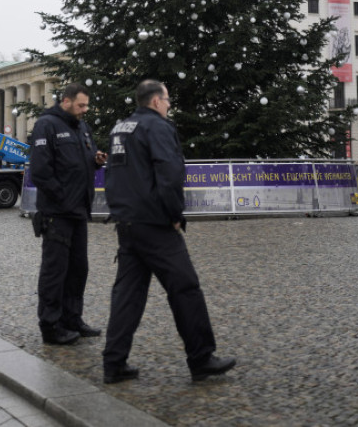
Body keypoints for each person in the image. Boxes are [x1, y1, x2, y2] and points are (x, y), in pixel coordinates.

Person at [101, 79, 236, 384]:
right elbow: (170, 173)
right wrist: (174, 214)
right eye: (168, 99)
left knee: (127, 296)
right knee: (185, 289)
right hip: (155, 224)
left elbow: (113, 173)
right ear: (156, 102)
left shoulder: (120, 128)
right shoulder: (158, 127)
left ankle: (114, 362)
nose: (170, 104)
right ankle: (201, 358)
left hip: (127, 223)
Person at [29, 83, 106, 346]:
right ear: (66, 102)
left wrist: (95, 160)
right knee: (55, 271)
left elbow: (83, 158)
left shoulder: (81, 126)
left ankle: (73, 319)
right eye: (81, 105)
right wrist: (61, 197)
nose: (85, 110)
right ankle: (50, 326)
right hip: (57, 212)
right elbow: (40, 171)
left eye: (86, 105)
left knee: (78, 270)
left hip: (78, 211)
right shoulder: (46, 125)